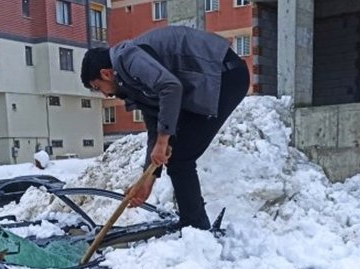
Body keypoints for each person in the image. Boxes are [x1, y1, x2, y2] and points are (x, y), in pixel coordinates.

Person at [81, 26, 250, 230]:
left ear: (106, 73)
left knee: (180, 156)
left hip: (224, 75)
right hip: (207, 82)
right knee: (176, 151)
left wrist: (164, 141)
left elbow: (171, 87)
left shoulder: (128, 58)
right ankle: (193, 224)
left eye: (98, 88)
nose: (104, 95)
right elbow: (156, 124)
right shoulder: (131, 81)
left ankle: (195, 227)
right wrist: (147, 181)